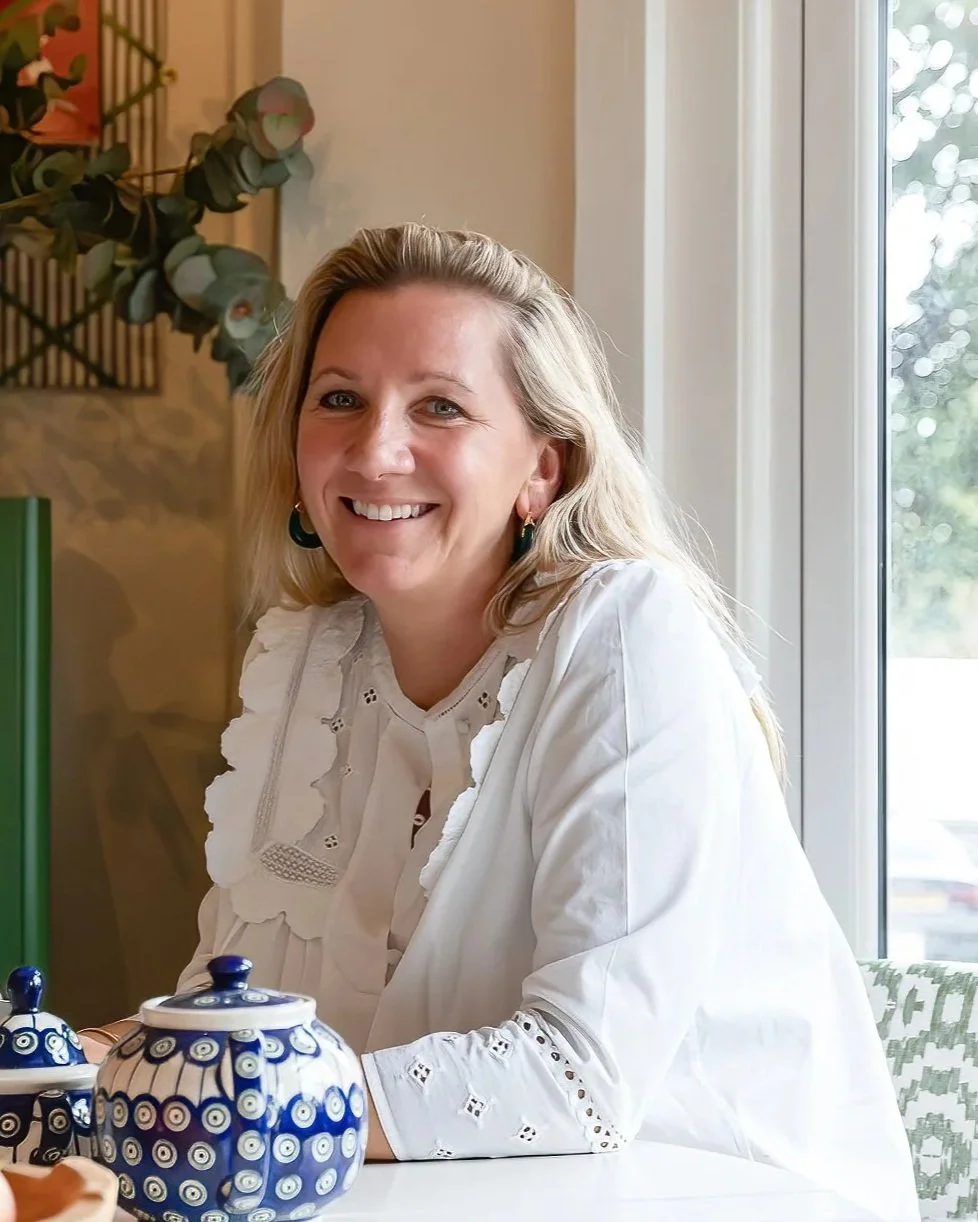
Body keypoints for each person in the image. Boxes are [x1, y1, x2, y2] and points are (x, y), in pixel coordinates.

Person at [81, 223, 919, 1219]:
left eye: (439, 406)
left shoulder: (623, 630)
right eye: (339, 398)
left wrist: (200, 1102)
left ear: (542, 470)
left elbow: (579, 1078)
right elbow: (230, 1018)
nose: (374, 448)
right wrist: (74, 1060)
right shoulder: (305, 654)